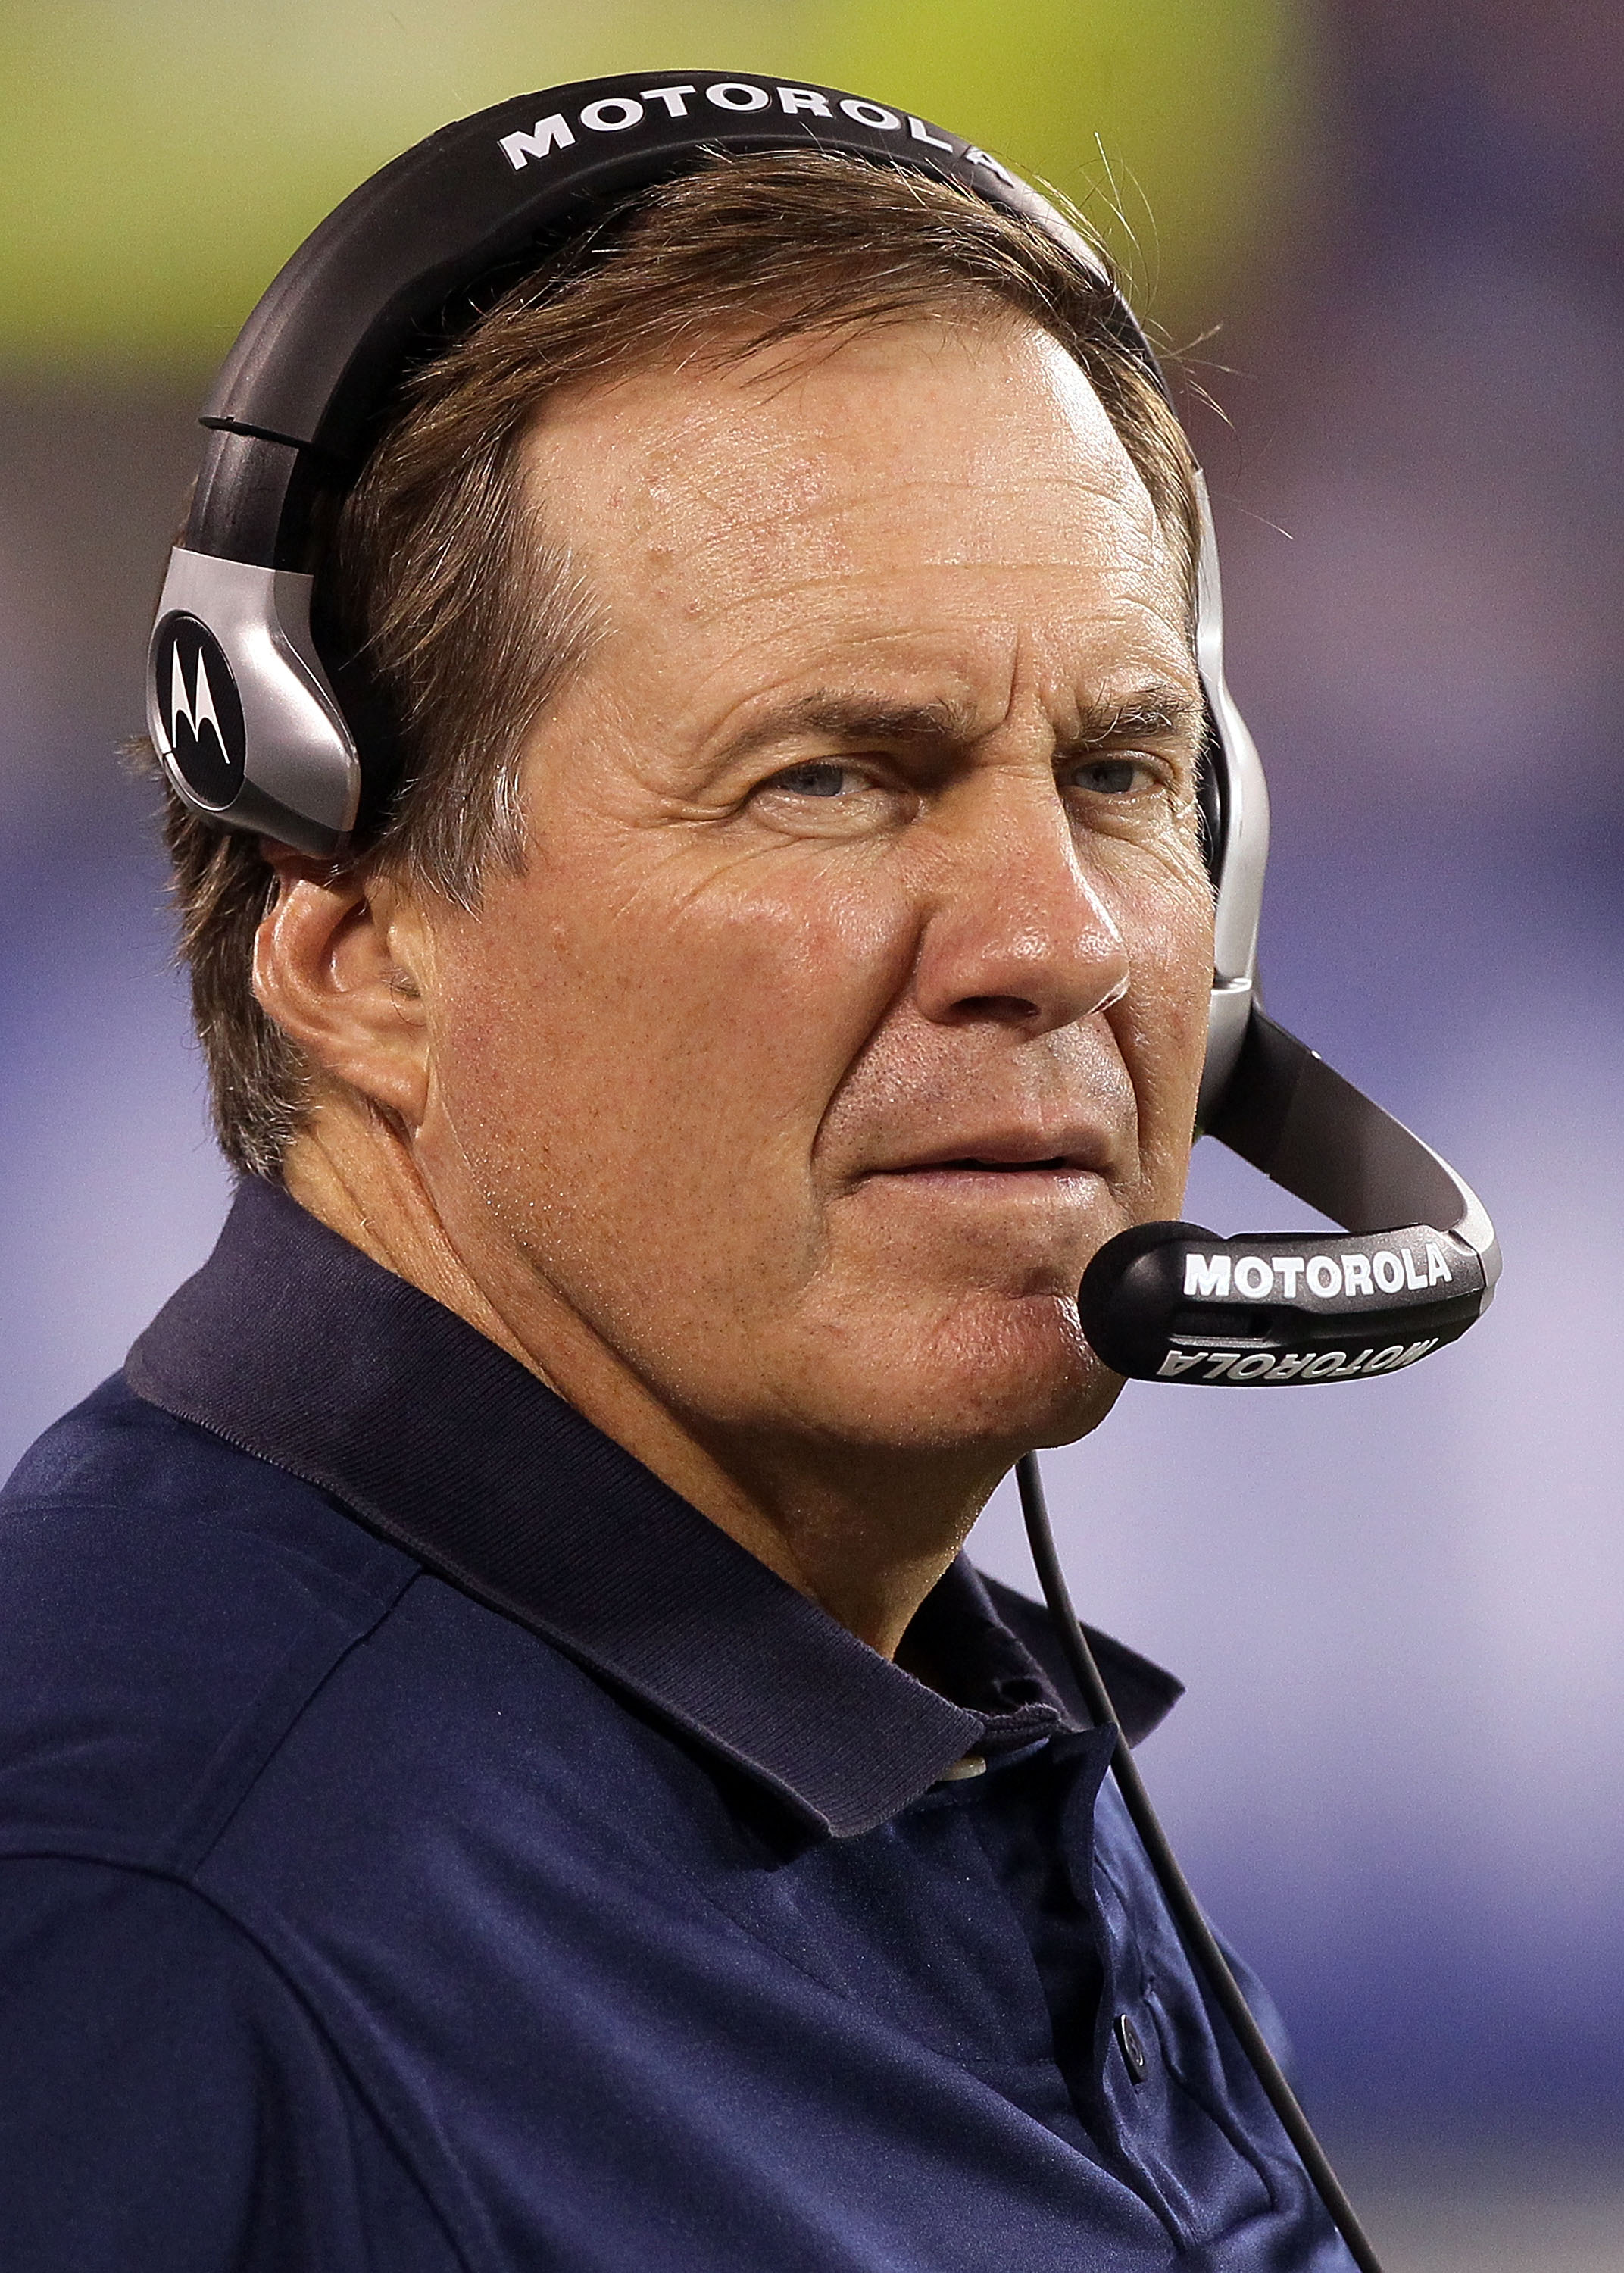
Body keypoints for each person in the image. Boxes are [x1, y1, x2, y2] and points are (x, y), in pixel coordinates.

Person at [0, 95, 1354, 2270]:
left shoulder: (934, 1766)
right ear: (354, 949)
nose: (1070, 943)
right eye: (834, 776)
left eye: (1119, 774)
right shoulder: (139, 1929)